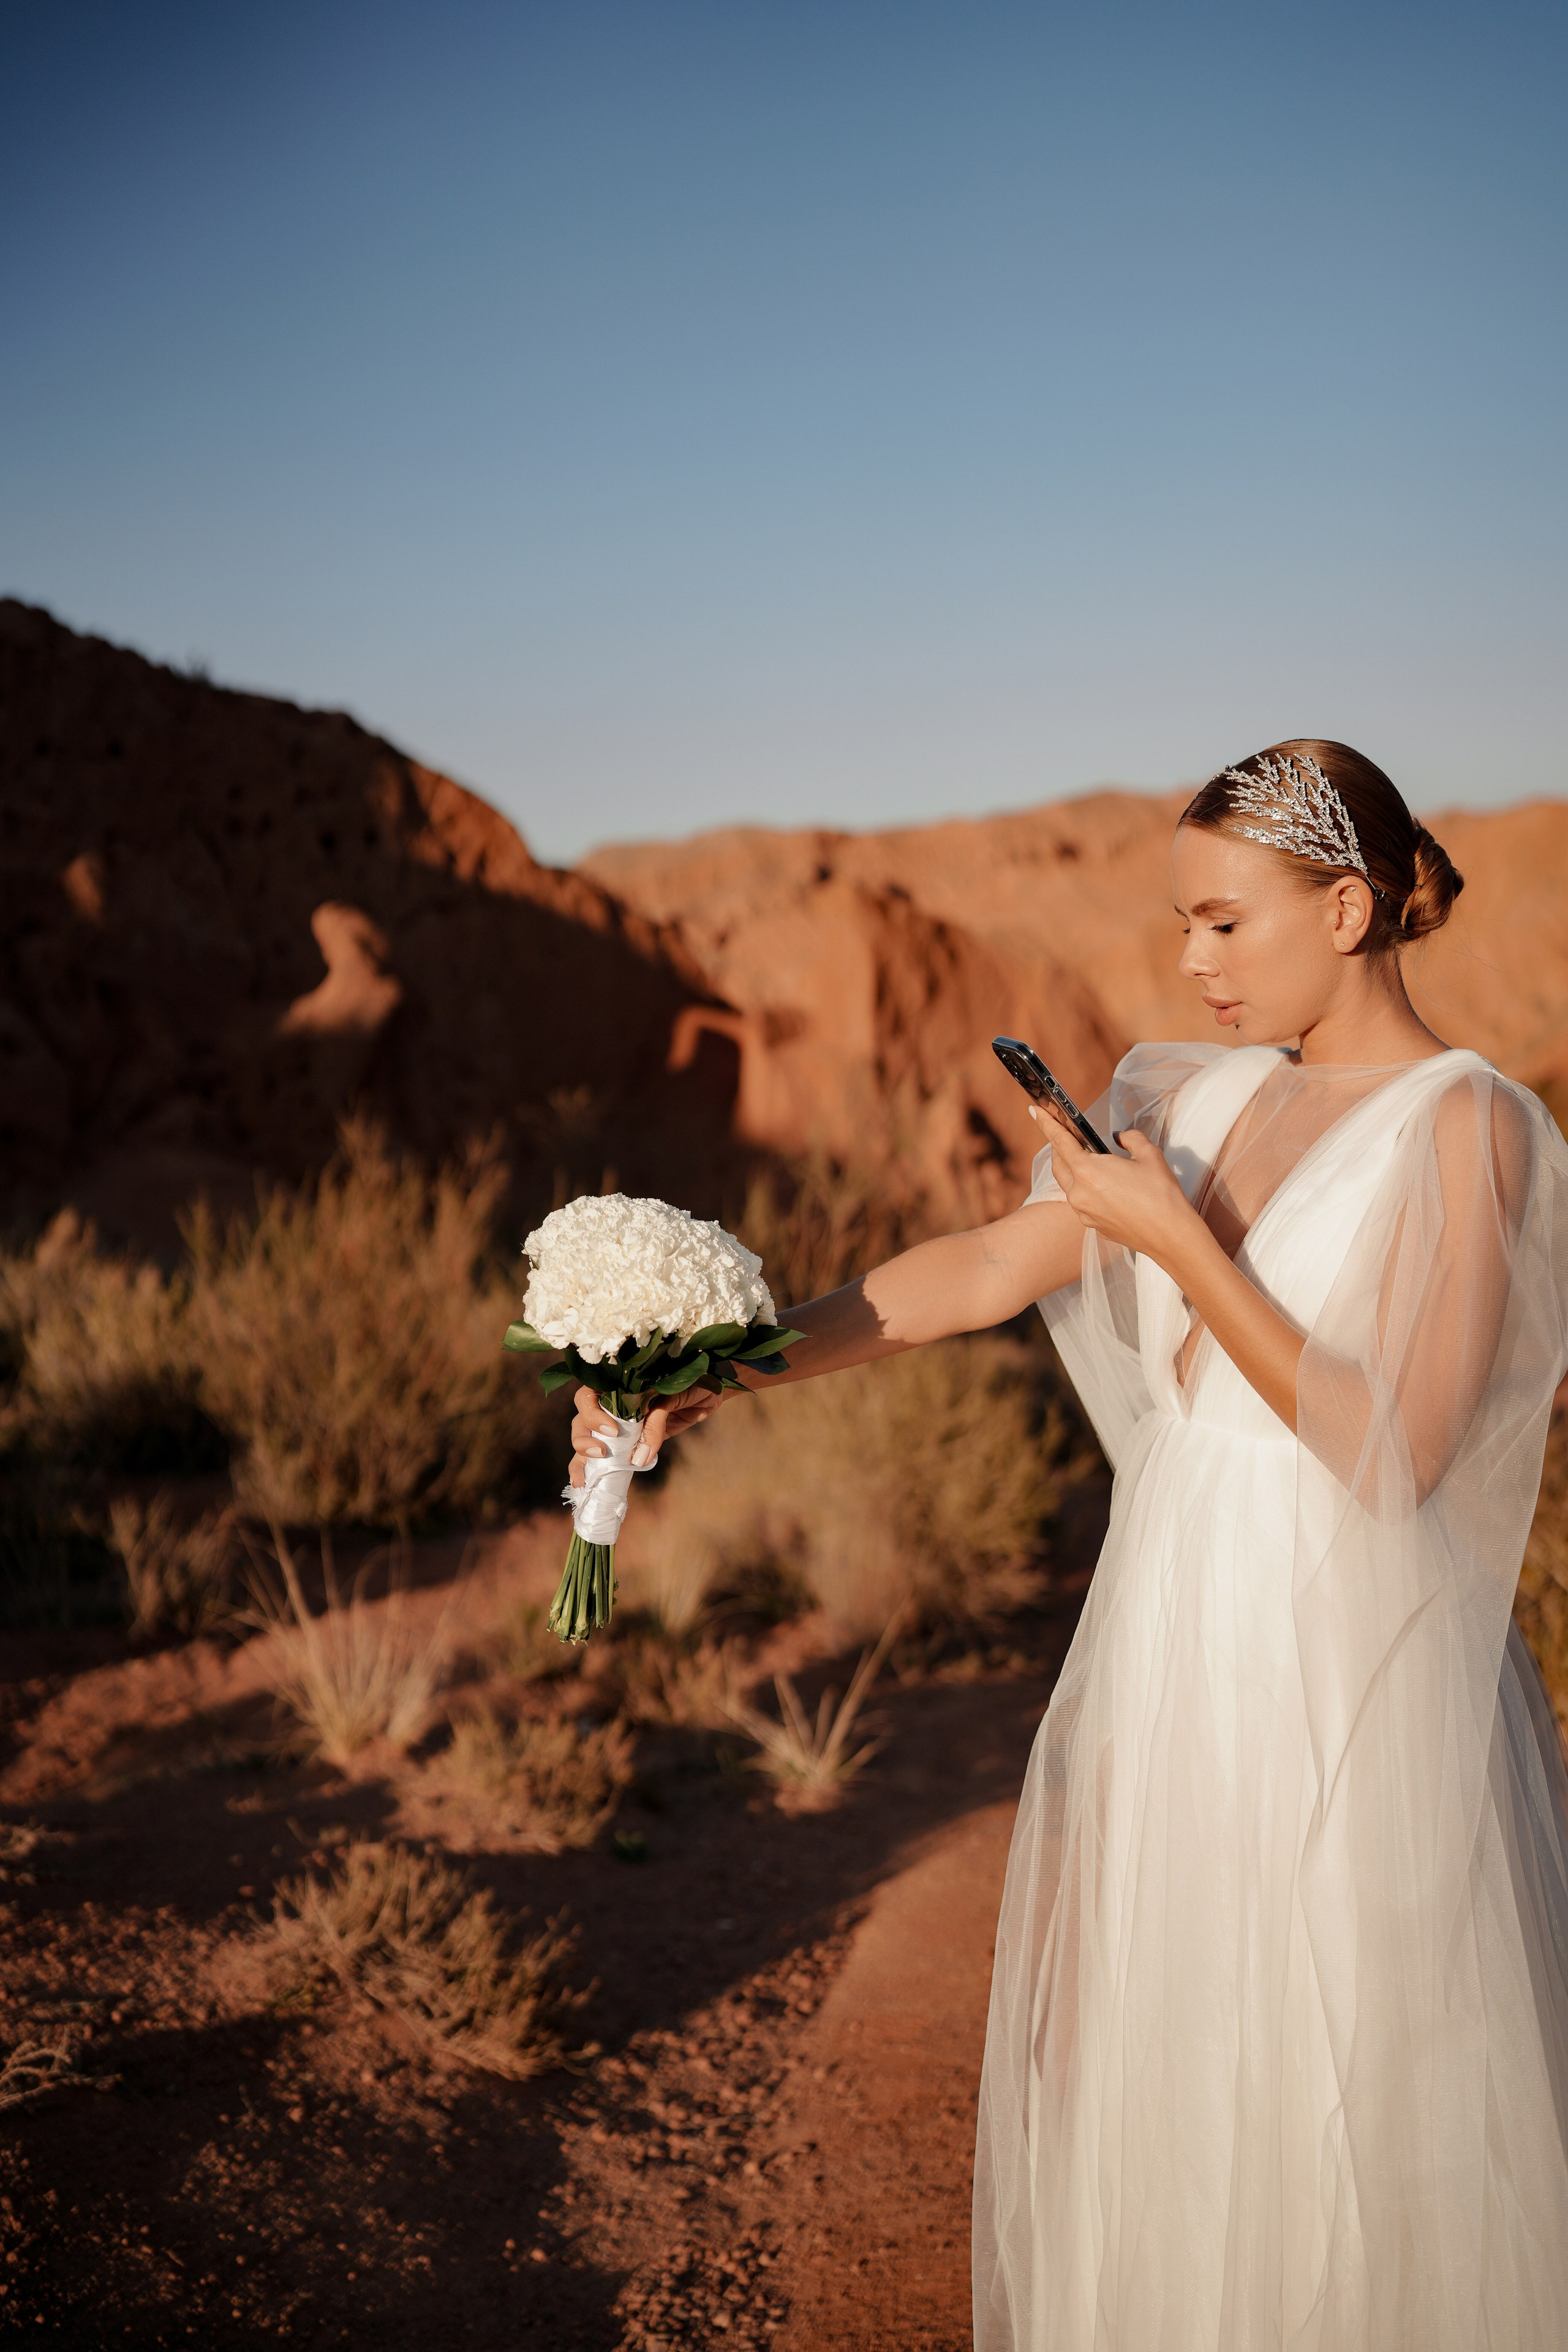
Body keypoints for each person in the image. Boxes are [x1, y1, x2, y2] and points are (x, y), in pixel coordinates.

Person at [570, 740, 1568, 2349]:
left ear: (1352, 904)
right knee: (1173, 2064)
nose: (1188, 963)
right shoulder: (1189, 1097)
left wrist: (1176, 1239)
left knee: (1344, 2089)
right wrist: (725, 1370)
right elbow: (977, 1271)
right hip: (1181, 1645)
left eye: (1225, 925)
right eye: (1182, 923)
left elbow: (1403, 1459)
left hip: (1348, 1686)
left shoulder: (1473, 1131)